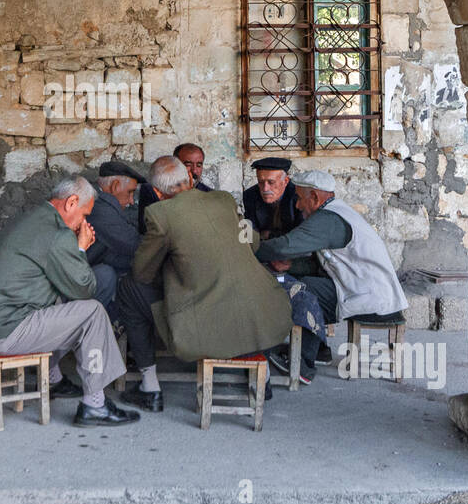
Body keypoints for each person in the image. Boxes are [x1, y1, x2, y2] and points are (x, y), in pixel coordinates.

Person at [116, 156, 292, 412]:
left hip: (212, 319)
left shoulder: (159, 214)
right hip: (264, 312)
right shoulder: (223, 200)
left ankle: (149, 386)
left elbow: (142, 272)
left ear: (156, 192)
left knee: (129, 288)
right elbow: (252, 243)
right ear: (189, 179)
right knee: (231, 287)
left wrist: (171, 265)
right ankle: (260, 375)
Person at [0, 175, 140, 427]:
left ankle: (54, 378)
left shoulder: (32, 219)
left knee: (60, 304)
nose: (83, 222)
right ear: (71, 203)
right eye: (83, 214)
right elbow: (84, 289)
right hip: (3, 333)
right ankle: (95, 405)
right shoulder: (58, 233)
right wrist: (80, 248)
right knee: (93, 313)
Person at [254, 169, 408, 381]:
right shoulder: (335, 212)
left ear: (315, 197)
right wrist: (290, 266)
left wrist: (250, 248)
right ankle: (318, 349)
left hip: (370, 296)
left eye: (299, 198)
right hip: (360, 288)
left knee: (300, 292)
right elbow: (321, 264)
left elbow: (285, 246)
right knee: (301, 284)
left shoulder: (328, 219)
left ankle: (303, 364)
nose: (297, 205)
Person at [86, 161, 145, 331]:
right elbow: (134, 244)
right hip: (73, 284)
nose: (131, 201)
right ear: (115, 185)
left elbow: (109, 253)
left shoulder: (103, 205)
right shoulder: (100, 209)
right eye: (130, 193)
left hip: (87, 272)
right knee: (108, 275)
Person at [137, 142, 211, 232]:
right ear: (175, 164)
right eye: (188, 164)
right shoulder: (152, 190)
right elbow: (147, 227)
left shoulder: (209, 194)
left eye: (199, 165)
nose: (194, 170)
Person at [242, 156, 304, 242]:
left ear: (285, 181)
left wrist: (270, 235)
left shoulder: (299, 196)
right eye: (261, 182)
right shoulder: (250, 196)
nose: (265, 189)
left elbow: (300, 235)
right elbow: (251, 235)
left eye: (271, 182)